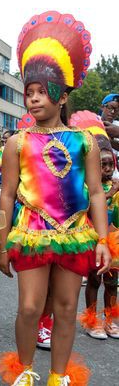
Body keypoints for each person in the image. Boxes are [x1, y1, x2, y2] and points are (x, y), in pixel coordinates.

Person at [0, 11, 111, 386]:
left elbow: (95, 192)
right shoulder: (17, 142)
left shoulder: (84, 141)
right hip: (30, 232)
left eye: (41, 92)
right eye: (28, 93)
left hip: (75, 232)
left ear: (61, 96)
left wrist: (105, 240)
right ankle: (25, 372)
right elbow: (7, 195)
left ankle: (58, 376)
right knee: (29, 308)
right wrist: (1, 242)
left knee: (64, 309)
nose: (33, 100)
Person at [79, 133, 119, 339]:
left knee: (112, 284)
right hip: (95, 239)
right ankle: (91, 321)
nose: (107, 169)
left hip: (115, 241)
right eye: (102, 165)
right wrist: (111, 192)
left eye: (110, 164)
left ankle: (110, 320)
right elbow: (88, 208)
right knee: (94, 281)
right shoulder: (88, 187)